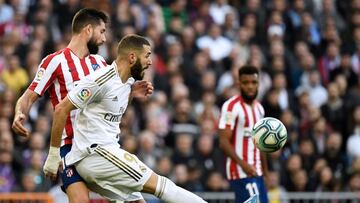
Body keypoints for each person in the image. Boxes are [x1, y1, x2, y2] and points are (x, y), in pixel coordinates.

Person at [42, 34, 207, 203]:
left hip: (103, 157)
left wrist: (131, 93)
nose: (150, 62)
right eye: (148, 56)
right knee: (163, 186)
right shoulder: (101, 79)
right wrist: (53, 154)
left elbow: (109, 112)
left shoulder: (126, 84)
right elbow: (61, 109)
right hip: (95, 154)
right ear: (132, 57)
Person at [12, 8, 146, 203]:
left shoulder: (100, 63)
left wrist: (131, 93)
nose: (104, 38)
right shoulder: (54, 61)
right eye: (102, 32)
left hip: (99, 145)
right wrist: (18, 113)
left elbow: (114, 105)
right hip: (70, 147)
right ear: (88, 30)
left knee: (136, 201)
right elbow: (28, 96)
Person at [218, 65, 269, 203]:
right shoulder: (231, 107)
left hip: (257, 172)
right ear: (239, 83)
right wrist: (243, 164)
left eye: (254, 82)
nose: (250, 87)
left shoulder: (259, 109)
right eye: (246, 83)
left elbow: (261, 142)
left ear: (259, 84)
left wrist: (265, 172)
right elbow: (223, 142)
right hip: (240, 172)